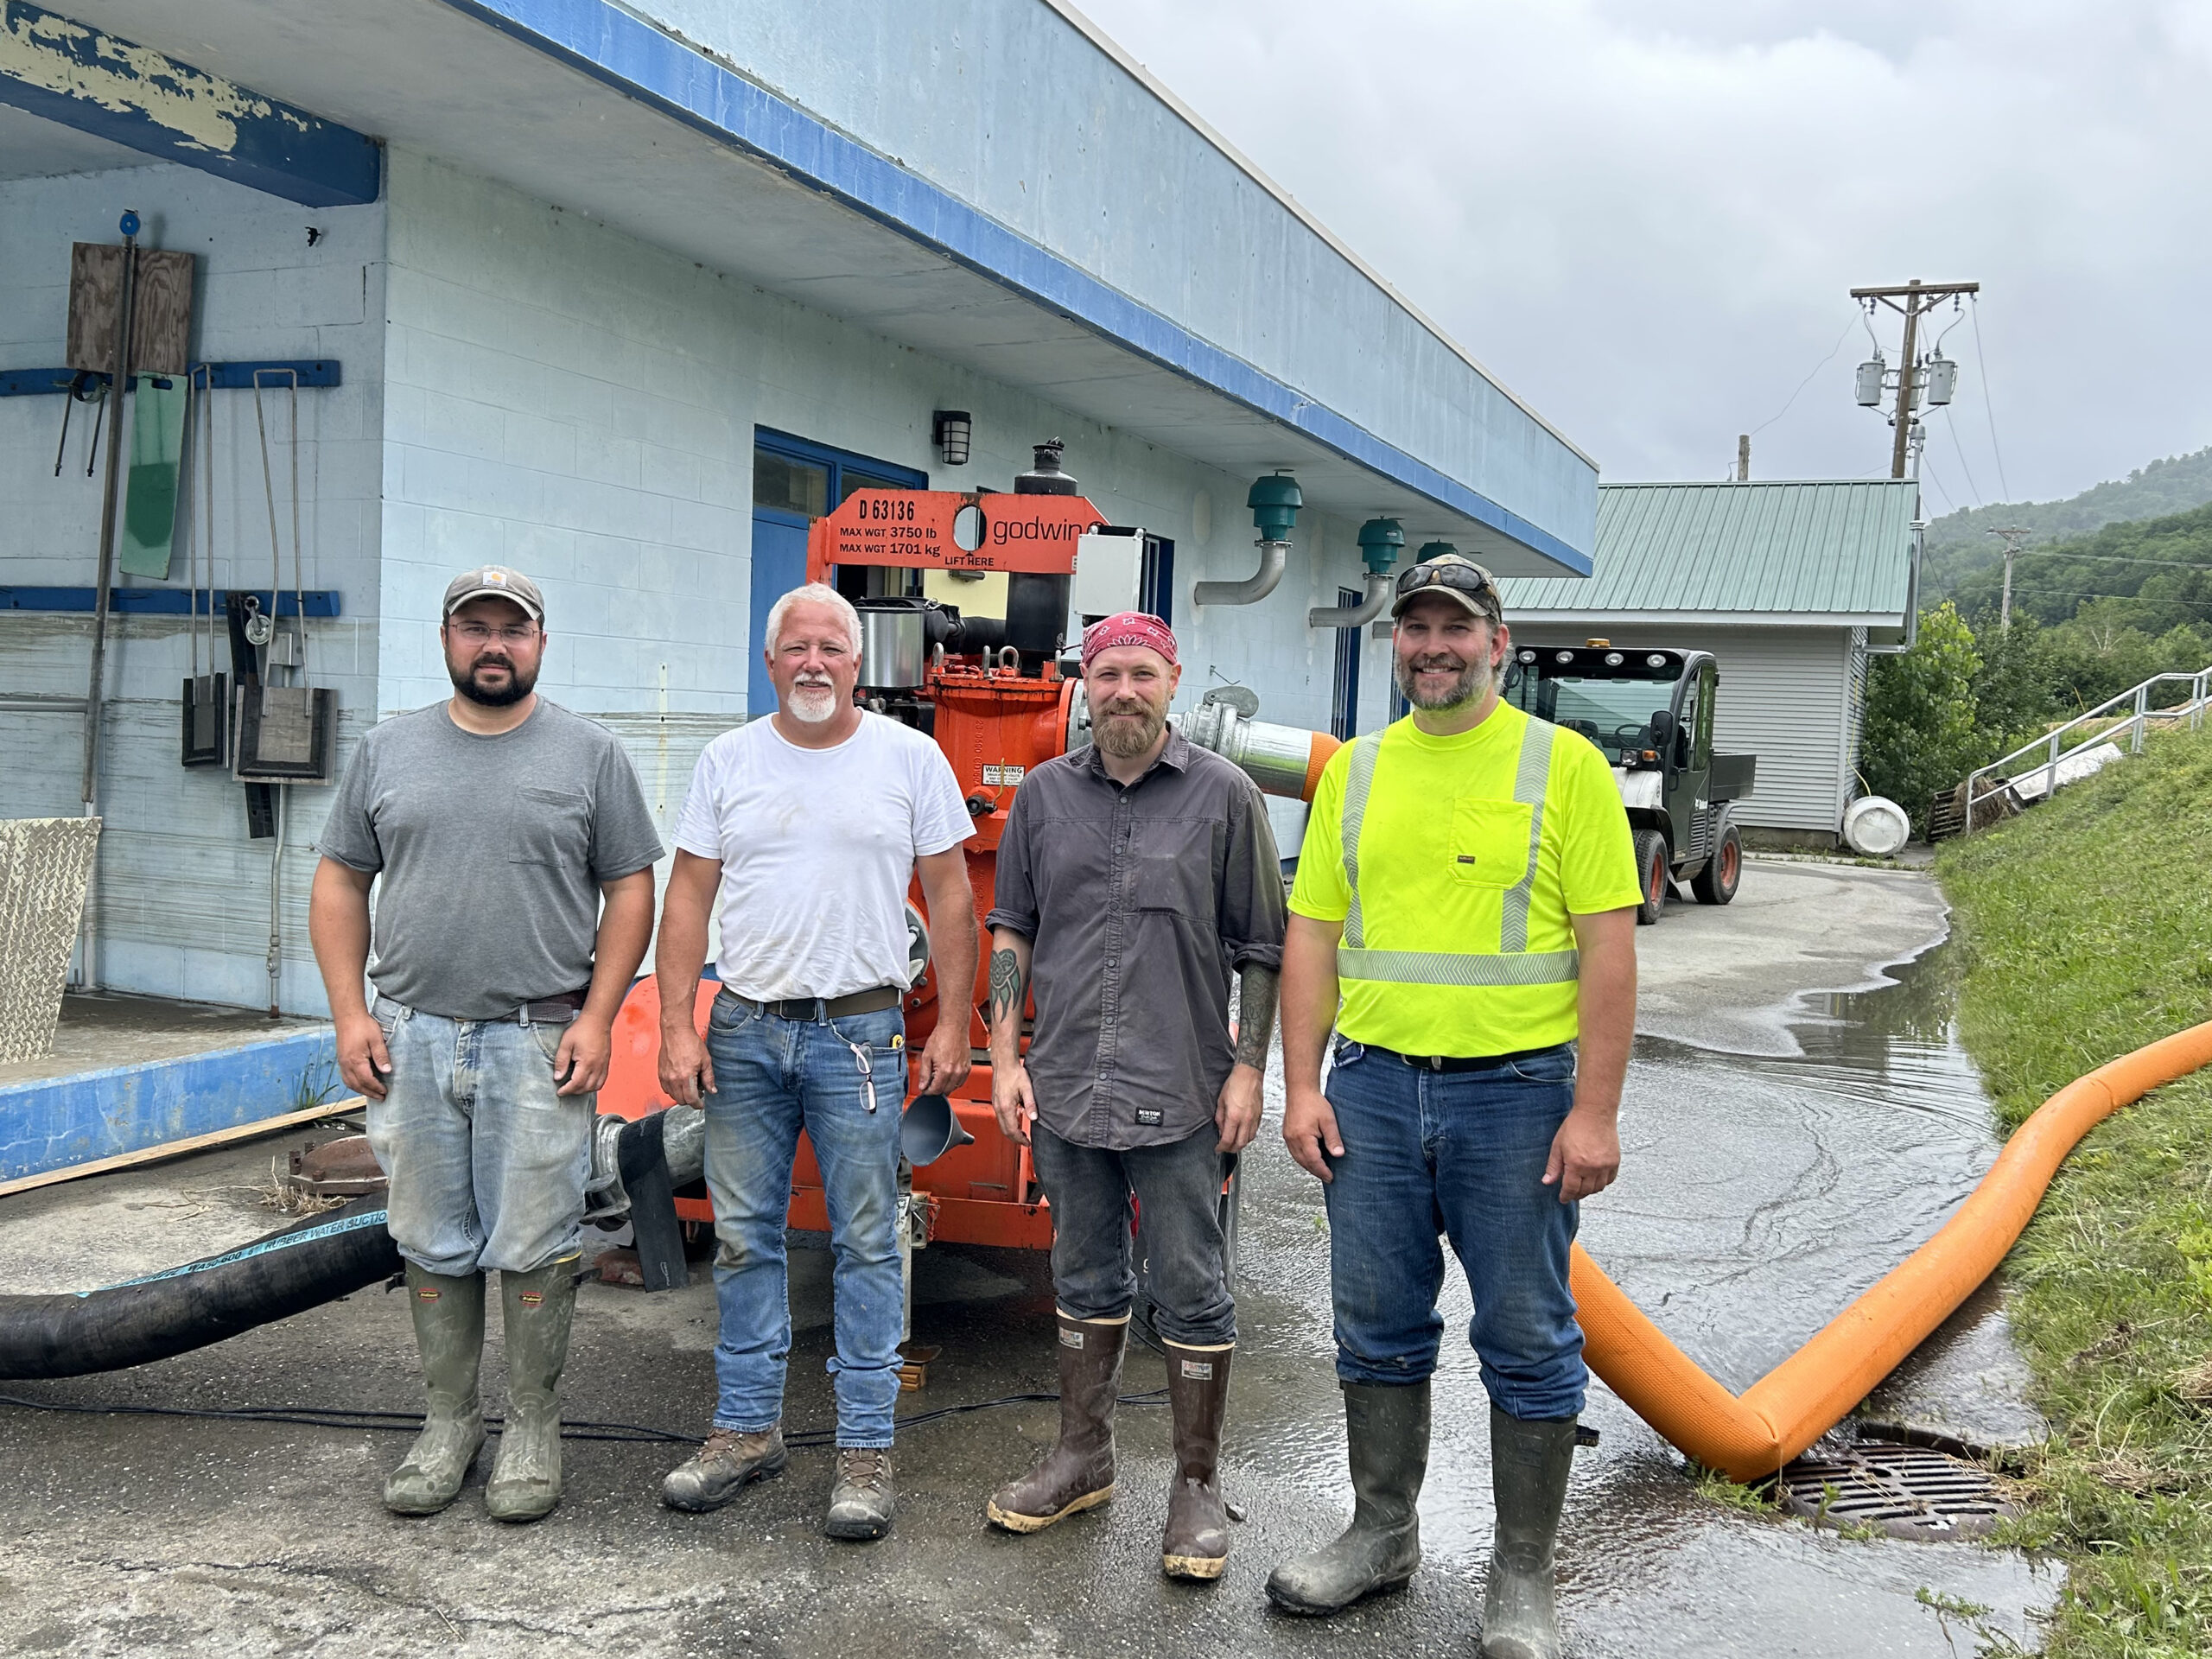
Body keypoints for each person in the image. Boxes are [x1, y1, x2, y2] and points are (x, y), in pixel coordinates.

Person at [1263, 554, 1642, 1659]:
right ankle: (1381, 1536)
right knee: (1376, 1327)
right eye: (1414, 628)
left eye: (1454, 628)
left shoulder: (1561, 767)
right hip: (1371, 1090)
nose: (1433, 645)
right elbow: (1312, 937)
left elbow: (1608, 953)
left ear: (1497, 643)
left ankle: (1520, 1574)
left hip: (1518, 1099)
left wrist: (1597, 1111)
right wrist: (1300, 1083)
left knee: (1525, 1336)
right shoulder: (1358, 773)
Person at [310, 565, 663, 1523]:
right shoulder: (389, 752)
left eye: (514, 629)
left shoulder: (590, 756)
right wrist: (350, 1014)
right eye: (477, 628)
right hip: (412, 1039)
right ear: (446, 639)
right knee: (429, 1236)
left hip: (537, 1040)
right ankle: (448, 1422)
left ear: (541, 643)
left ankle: (534, 1426)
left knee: (538, 1240)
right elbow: (341, 879)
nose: (494, 644)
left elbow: (632, 888)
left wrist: (597, 1019)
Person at [654, 580, 977, 1541]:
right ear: (770, 663)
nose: (813, 664)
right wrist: (677, 1024)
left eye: (831, 648)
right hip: (745, 1033)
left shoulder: (910, 761)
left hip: (861, 1038)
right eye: (796, 648)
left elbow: (953, 902)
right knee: (749, 1235)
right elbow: (686, 901)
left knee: (869, 1241)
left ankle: (866, 1450)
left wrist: (952, 1024)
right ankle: (746, 1430)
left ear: (857, 664)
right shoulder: (727, 762)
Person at [981, 612, 1285, 1581]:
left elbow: (1262, 947)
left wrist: (1249, 1070)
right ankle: (1083, 1457)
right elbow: (1012, 929)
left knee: (1190, 1287)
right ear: (1083, 683)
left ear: (1171, 682)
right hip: (1066, 1084)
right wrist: (1003, 1054)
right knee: (1083, 1277)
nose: (1122, 691)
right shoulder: (1041, 797)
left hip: (1181, 1090)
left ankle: (1194, 1484)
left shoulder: (1225, 796)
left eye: (1140, 674)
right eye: (1105, 673)